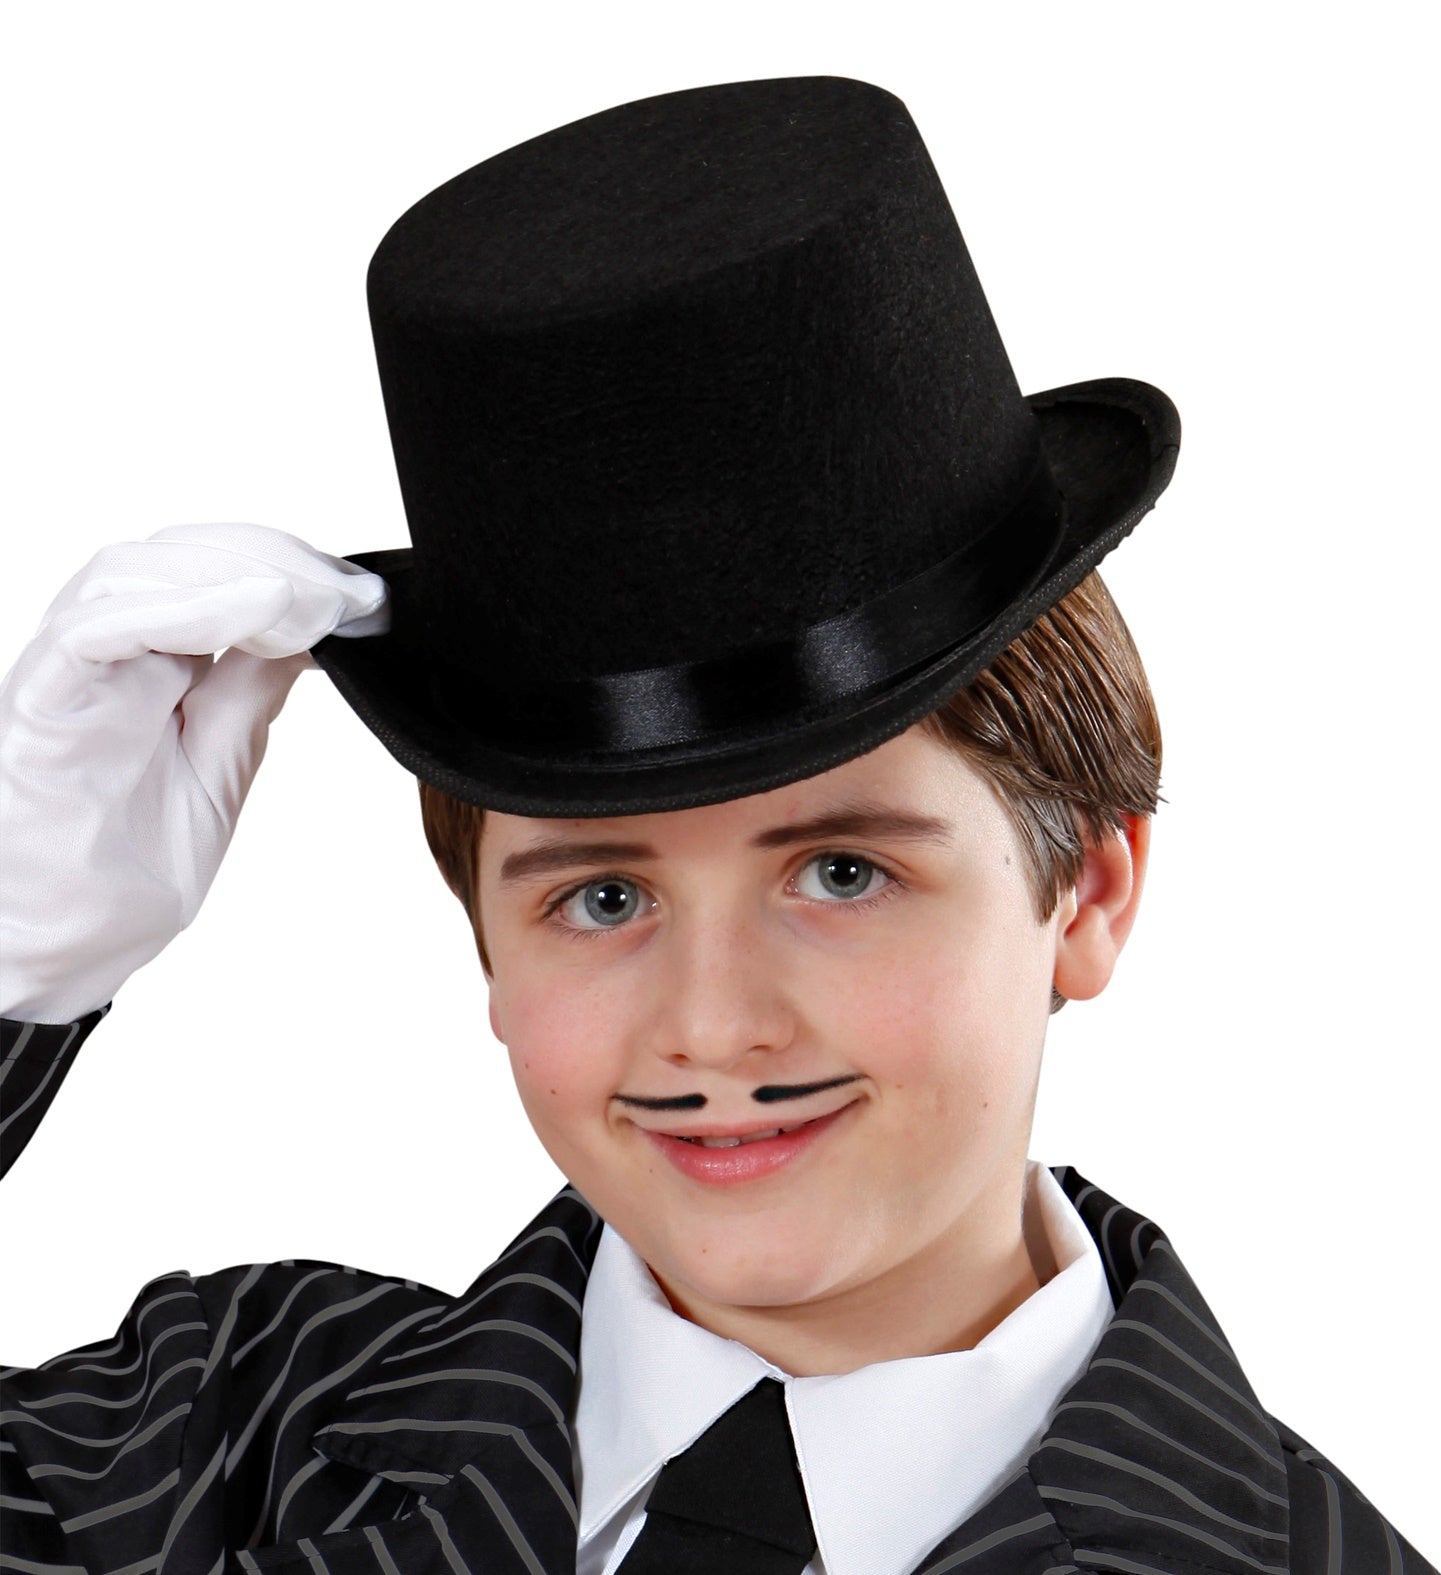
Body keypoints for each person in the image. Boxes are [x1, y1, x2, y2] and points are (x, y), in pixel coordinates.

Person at [1, 74, 1431, 1575]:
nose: (711, 1026)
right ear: (481, 942)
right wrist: (18, 972)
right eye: (602, 898)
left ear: (1085, 893)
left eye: (839, 871)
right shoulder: (224, 1441)